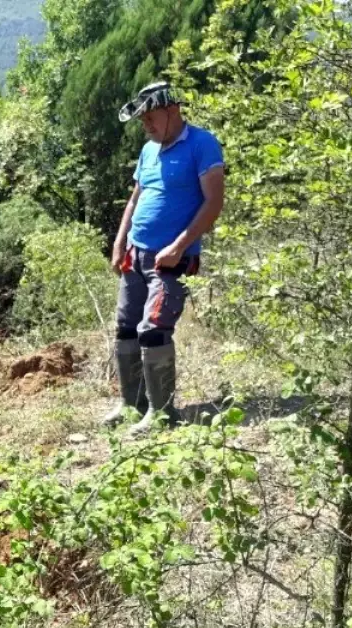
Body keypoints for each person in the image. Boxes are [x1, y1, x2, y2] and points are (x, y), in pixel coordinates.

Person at [103, 82, 225, 435]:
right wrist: (119, 240)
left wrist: (180, 246)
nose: (146, 125)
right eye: (142, 120)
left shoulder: (202, 145)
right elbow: (135, 199)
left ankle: (162, 414)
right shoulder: (148, 151)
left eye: (150, 117)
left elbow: (213, 202)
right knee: (126, 328)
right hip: (135, 255)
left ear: (172, 110)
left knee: (154, 330)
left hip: (173, 259)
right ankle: (132, 406)